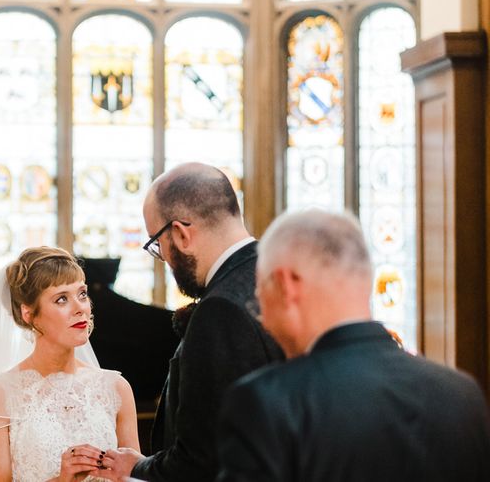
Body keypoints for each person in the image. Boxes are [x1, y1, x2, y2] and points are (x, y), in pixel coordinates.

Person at [216, 209, 490, 482]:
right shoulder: (463, 396)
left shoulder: (269, 404)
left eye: (259, 297)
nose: (263, 318)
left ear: (286, 285)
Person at [101, 163, 283, 482]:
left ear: (182, 234)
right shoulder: (280, 279)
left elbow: (202, 462)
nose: (165, 259)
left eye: (157, 244)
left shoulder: (219, 312)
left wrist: (136, 467)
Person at [0, 246, 140, 482]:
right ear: (28, 313)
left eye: (82, 294)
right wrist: (61, 480)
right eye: (62, 299)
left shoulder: (116, 388)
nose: (80, 307)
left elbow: (135, 476)